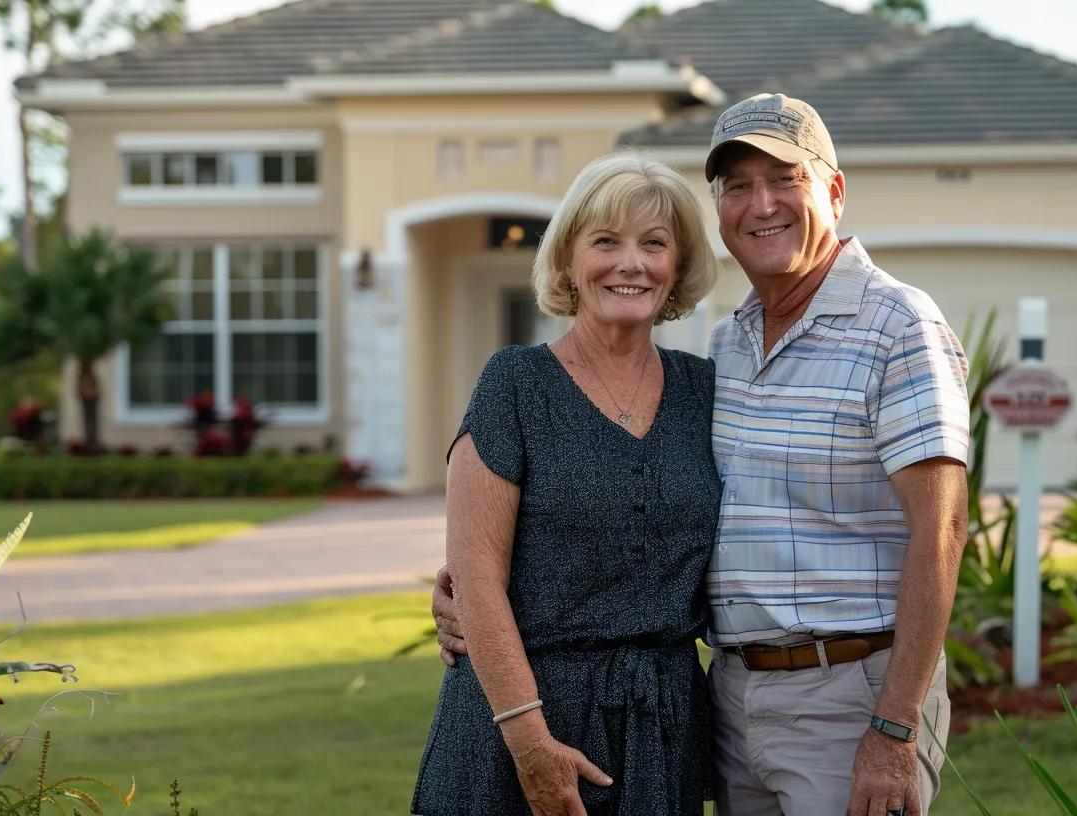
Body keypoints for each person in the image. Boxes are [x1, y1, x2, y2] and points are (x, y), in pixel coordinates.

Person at [435, 93, 970, 816]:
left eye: (654, 243)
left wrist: (897, 725)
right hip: (659, 710)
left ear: (834, 193)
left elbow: (942, 531)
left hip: (775, 708)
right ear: (567, 256)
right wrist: (468, 600)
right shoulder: (728, 348)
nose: (763, 204)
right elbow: (497, 563)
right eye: (739, 186)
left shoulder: (881, 329)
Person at [411, 152, 722, 816]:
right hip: (521, 717)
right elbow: (476, 577)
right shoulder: (515, 385)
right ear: (568, 260)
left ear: (678, 266)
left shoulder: (707, 391)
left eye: (654, 244)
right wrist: (531, 745)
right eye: (605, 241)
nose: (630, 263)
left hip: (661, 725)